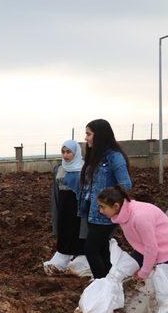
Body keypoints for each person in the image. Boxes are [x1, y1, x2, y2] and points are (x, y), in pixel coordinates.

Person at [77, 119, 132, 279]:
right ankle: (109, 285)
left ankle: (102, 284)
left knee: (90, 249)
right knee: (101, 250)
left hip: (105, 215)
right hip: (92, 211)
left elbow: (125, 185)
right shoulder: (95, 156)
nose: (86, 138)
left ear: (99, 135)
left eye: (89, 134)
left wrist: (107, 202)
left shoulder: (114, 157)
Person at [96, 186, 168, 281]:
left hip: (164, 251)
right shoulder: (122, 213)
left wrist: (144, 272)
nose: (100, 211)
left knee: (163, 290)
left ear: (116, 206)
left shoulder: (139, 217)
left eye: (103, 207)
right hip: (144, 249)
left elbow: (151, 247)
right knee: (117, 273)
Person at [44, 140, 88, 274]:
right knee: (65, 230)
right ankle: (63, 256)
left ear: (76, 152)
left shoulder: (85, 169)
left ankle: (81, 258)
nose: (65, 155)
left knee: (78, 231)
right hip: (64, 207)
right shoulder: (59, 168)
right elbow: (56, 191)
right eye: (63, 152)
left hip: (79, 207)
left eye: (69, 152)